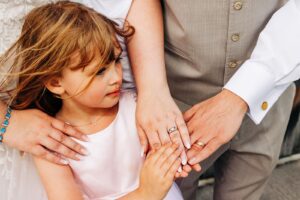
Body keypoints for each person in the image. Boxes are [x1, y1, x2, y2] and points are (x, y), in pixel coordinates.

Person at [0, 1, 184, 199]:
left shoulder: (137, 107)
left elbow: (164, 150)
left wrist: (174, 157)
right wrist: (145, 193)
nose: (116, 78)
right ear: (55, 83)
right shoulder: (53, 143)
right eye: (100, 72)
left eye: (117, 61)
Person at [126, 0, 300, 199]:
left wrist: (241, 94)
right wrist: (152, 90)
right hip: (174, 104)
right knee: (170, 191)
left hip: (269, 96)